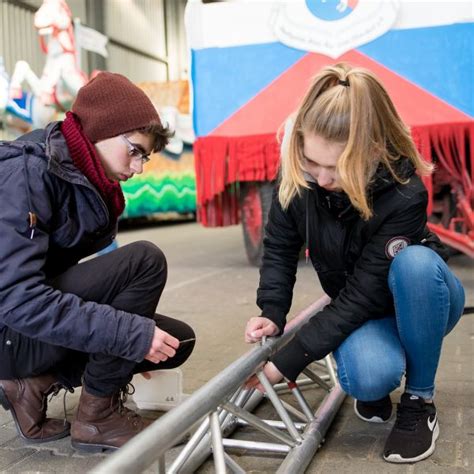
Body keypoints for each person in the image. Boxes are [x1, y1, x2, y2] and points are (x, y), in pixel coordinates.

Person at [244, 63, 465, 464]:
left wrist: (288, 361)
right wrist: (272, 311)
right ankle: (381, 380)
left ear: (374, 151)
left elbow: (364, 294)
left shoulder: (404, 193)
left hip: (421, 298)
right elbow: (279, 247)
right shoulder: (300, 175)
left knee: (414, 263)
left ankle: (419, 401)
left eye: (338, 167)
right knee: (366, 378)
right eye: (314, 161)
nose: (322, 178)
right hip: (365, 311)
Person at [0, 72, 196, 452]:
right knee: (145, 262)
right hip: (8, 327)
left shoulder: (82, 177)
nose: (138, 168)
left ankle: (31, 385)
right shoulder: (25, 173)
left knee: (176, 342)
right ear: (101, 130)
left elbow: (102, 283)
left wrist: (125, 339)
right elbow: (17, 299)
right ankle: (97, 418)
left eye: (146, 157)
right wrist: (127, 334)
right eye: (135, 150)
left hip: (22, 327)